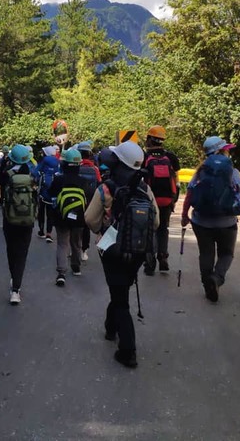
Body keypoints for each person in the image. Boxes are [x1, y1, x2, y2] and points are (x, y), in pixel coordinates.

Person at [85, 140, 160, 368]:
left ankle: (128, 350)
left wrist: (103, 230)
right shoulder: (145, 188)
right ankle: (110, 327)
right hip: (137, 251)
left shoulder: (106, 188)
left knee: (120, 299)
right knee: (120, 291)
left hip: (112, 250)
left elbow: (89, 219)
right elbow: (155, 221)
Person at [181, 136, 240, 303]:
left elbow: (190, 194)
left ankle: (208, 285)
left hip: (201, 222)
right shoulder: (232, 171)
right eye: (226, 149)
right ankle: (217, 278)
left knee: (206, 254)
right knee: (226, 254)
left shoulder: (200, 171)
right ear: (221, 151)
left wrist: (184, 215)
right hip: (227, 222)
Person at [0, 144, 37, 305]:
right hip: (28, 219)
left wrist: (4, 164)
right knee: (22, 252)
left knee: (11, 249)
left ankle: (13, 280)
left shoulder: (7, 173)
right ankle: (16, 288)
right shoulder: (32, 172)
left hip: (10, 218)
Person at [49, 148, 93, 286]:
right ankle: (76, 266)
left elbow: (51, 194)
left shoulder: (59, 179)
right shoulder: (84, 182)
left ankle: (61, 272)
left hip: (61, 216)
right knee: (76, 242)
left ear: (64, 164)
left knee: (62, 243)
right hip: (79, 217)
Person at [142, 126, 181, 275]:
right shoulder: (170, 157)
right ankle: (163, 255)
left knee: (150, 229)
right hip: (166, 200)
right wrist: (174, 198)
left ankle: (149, 260)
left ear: (149, 139)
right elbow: (176, 179)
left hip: (149, 199)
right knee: (163, 228)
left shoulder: (144, 157)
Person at [77, 141, 102, 263]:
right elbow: (99, 184)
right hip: (90, 200)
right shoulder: (95, 168)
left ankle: (74, 248)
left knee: (76, 224)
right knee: (86, 225)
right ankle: (84, 250)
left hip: (76, 199)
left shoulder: (75, 166)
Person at [32, 145, 60, 243]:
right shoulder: (57, 161)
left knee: (41, 211)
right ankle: (49, 233)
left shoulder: (44, 160)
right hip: (54, 191)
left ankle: (41, 231)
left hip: (43, 190)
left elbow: (35, 172)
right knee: (50, 213)